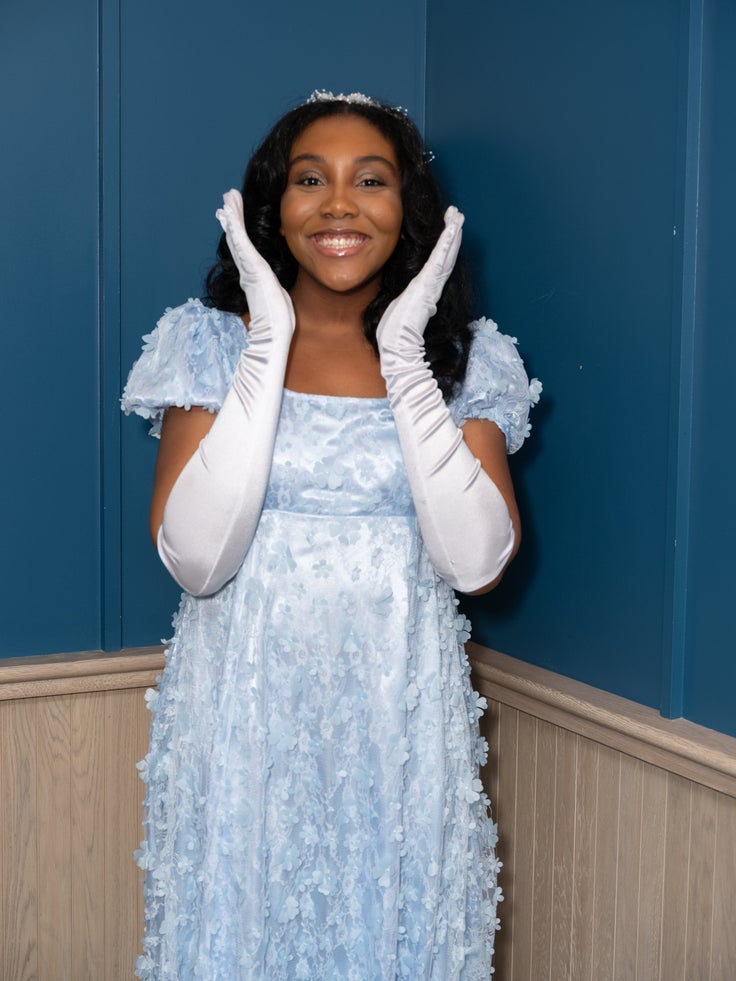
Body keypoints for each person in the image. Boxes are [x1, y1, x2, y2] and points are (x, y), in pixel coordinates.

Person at [122, 90, 540, 980]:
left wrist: (404, 357)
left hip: (398, 721)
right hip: (242, 721)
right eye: (311, 178)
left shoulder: (472, 360)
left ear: (409, 211)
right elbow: (198, 560)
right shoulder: (207, 344)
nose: (340, 202)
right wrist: (266, 341)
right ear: (272, 207)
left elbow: (475, 563)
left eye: (371, 180)